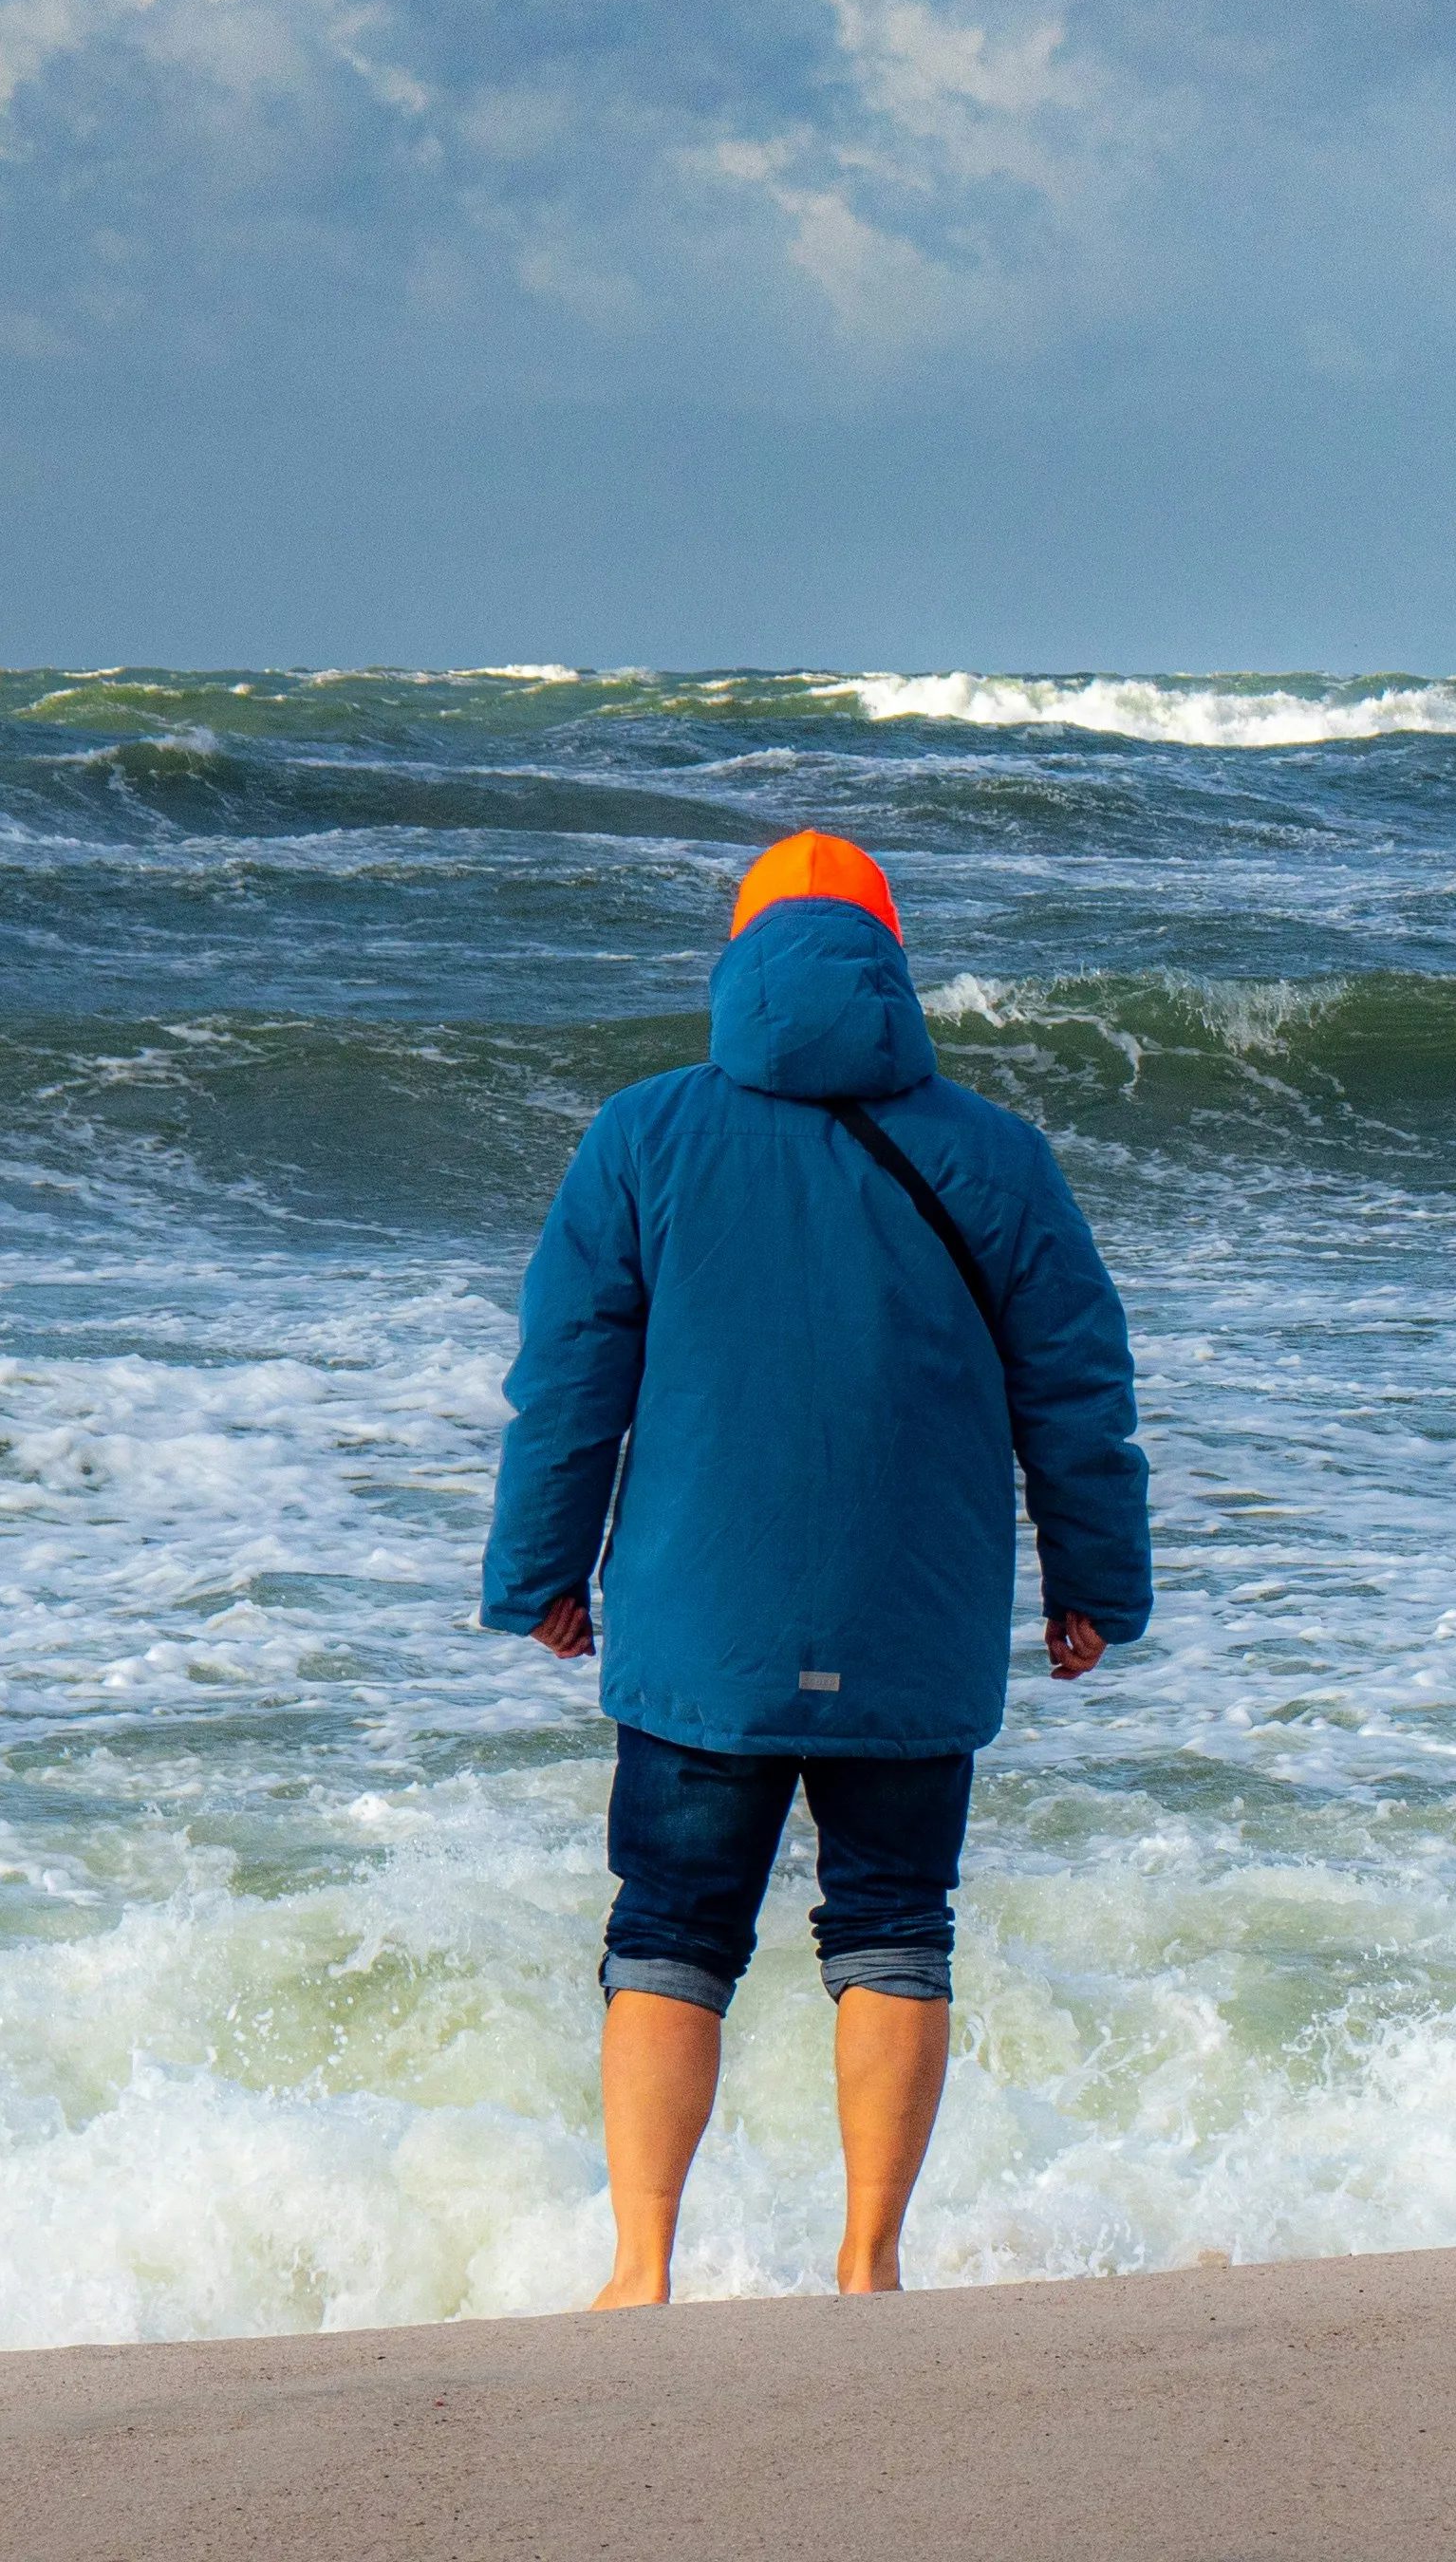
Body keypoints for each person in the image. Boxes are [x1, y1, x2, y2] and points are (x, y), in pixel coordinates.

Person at [482, 830, 1153, 2302]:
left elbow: (570, 1380)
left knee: (666, 1933)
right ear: (891, 961)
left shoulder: (643, 1134)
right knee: (897, 1927)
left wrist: (540, 1571)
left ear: (735, 961)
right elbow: (1079, 1390)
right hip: (914, 1622)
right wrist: (1094, 1583)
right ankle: (869, 2261)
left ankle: (643, 2266)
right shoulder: (996, 1153)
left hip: (699, 1628)